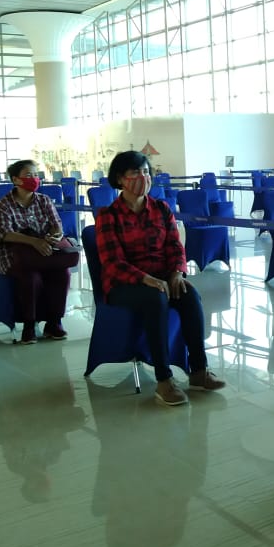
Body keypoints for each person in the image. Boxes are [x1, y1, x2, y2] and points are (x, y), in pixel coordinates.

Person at [95, 150, 225, 407]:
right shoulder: (108, 216)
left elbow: (175, 245)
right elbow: (113, 262)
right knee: (155, 299)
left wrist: (177, 272)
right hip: (124, 284)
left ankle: (199, 371)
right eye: (135, 172)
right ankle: (164, 380)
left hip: (162, 278)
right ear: (120, 179)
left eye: (146, 172)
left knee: (189, 294)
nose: (143, 177)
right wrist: (146, 279)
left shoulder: (161, 209)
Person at [0, 159, 79, 344]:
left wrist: (54, 237)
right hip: (15, 256)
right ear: (15, 180)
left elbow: (57, 226)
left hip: (44, 253)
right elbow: (4, 233)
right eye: (28, 175)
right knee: (31, 278)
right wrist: (33, 241)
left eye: (36, 175)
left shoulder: (44, 200)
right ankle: (29, 325)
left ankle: (54, 322)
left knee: (62, 274)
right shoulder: (5, 205)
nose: (34, 179)